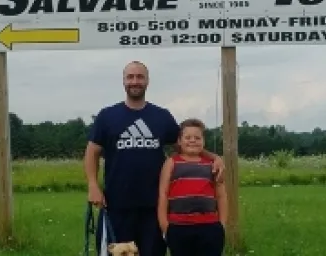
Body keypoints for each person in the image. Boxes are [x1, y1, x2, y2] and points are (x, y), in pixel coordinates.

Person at [85, 60, 225, 256]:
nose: (135, 81)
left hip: (153, 207)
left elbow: (186, 145)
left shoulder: (161, 116)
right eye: (130, 77)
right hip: (117, 204)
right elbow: (92, 152)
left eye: (140, 77)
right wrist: (93, 185)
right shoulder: (107, 116)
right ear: (123, 81)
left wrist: (214, 157)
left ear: (147, 81)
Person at [158, 118, 227, 256]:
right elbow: (163, 194)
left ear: (204, 141)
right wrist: (165, 227)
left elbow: (221, 195)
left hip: (210, 226)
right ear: (179, 141)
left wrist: (222, 225)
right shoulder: (171, 163)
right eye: (188, 137)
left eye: (197, 138)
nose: (192, 141)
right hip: (178, 227)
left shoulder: (213, 164)